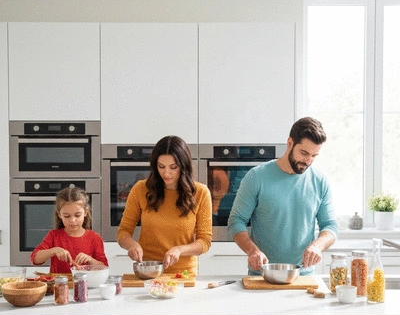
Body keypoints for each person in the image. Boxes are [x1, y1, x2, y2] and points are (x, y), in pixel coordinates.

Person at [227, 117, 338, 276]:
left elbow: (330, 225)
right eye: (304, 153)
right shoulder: (256, 177)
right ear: (290, 142)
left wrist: (317, 246)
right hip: (262, 275)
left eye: (314, 156)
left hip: (303, 276)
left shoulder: (320, 181)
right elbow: (236, 220)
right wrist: (253, 251)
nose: (308, 161)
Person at [117, 135, 212, 276]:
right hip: (148, 272)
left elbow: (204, 241)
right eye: (161, 166)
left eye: (173, 167)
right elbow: (123, 232)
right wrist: (132, 245)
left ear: (184, 166)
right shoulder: (140, 189)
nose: (166, 173)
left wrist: (180, 250)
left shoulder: (201, 193)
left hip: (183, 275)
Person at [31, 187, 108, 273]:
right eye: (67, 216)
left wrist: (90, 260)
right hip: (59, 285)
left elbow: (104, 267)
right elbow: (35, 258)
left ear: (85, 212)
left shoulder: (94, 237)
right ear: (59, 214)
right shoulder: (54, 235)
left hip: (85, 285)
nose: (72, 220)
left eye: (77, 215)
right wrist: (54, 250)